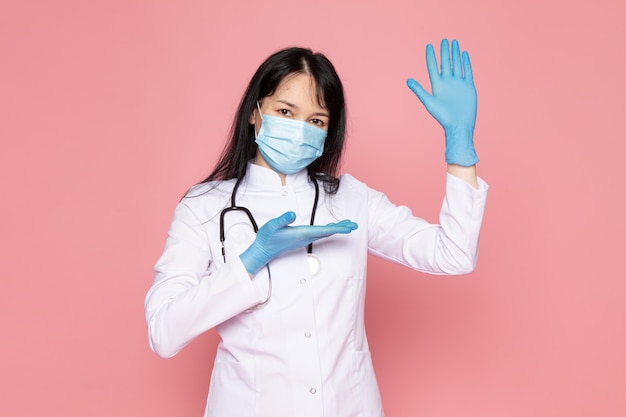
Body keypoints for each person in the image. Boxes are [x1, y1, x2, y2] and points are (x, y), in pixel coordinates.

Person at [145, 39, 488, 417]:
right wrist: (250, 261)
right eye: (285, 111)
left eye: (315, 120)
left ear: (328, 132)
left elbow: (453, 254)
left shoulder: (352, 199)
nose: (299, 129)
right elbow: (164, 331)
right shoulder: (205, 207)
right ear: (255, 112)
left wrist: (460, 147)